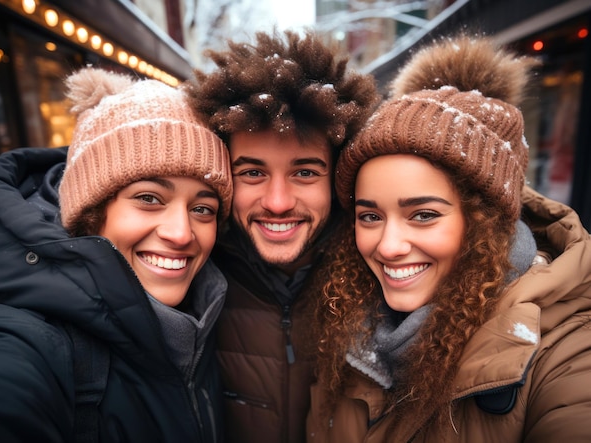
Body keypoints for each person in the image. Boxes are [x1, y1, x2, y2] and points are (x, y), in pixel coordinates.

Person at [306, 35, 591, 442]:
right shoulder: (350, 325)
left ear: (485, 223)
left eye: (423, 215)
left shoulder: (564, 355)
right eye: (369, 215)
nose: (387, 246)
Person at [0, 67, 232, 442]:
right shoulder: (28, 339)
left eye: (203, 208)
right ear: (91, 213)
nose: (181, 233)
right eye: (149, 199)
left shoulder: (206, 309)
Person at [184, 30, 379, 443]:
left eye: (305, 172)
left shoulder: (385, 277)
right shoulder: (183, 282)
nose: (276, 203)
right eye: (252, 172)